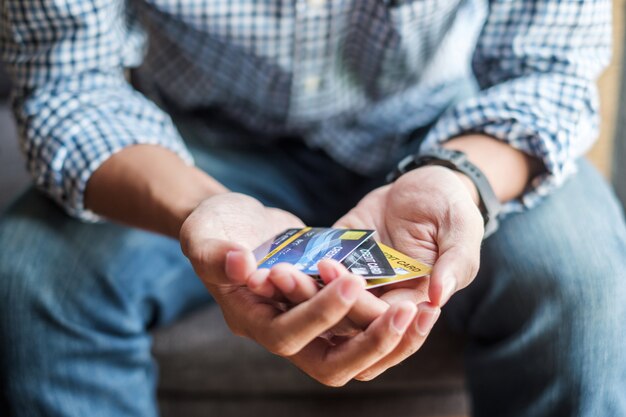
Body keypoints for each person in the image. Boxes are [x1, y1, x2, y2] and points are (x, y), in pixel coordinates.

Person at [1, 0, 625, 416]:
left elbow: (548, 73)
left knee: (585, 276)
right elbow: (68, 86)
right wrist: (202, 206)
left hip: (448, 131)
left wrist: (457, 178)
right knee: (27, 276)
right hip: (191, 143)